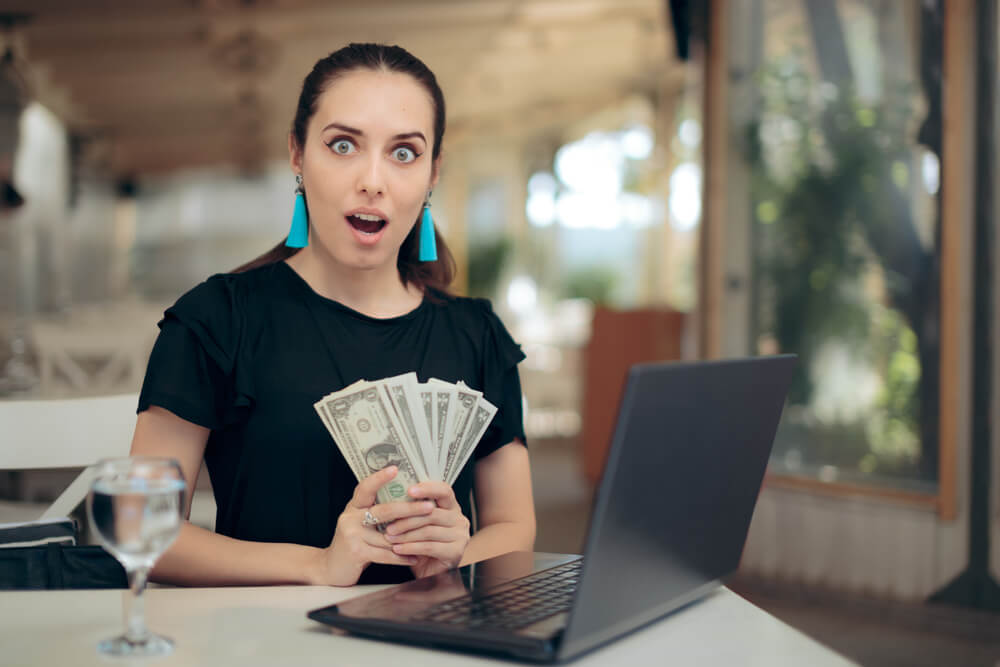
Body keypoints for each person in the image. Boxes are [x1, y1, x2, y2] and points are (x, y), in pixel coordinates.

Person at [131, 43, 536, 587]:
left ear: (433, 171)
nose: (373, 179)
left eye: (404, 153)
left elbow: (513, 526)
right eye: (343, 145)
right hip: (262, 641)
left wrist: (455, 550)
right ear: (297, 154)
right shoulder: (217, 319)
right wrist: (319, 565)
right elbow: (143, 532)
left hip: (432, 643)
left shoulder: (478, 333)